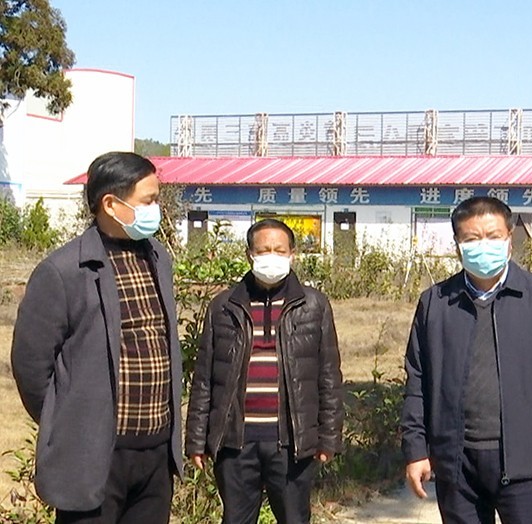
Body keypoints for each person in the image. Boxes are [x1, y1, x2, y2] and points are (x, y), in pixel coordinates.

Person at [11, 152, 183, 523]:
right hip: (93, 456)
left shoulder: (157, 257)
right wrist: (72, 419)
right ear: (110, 204)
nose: (156, 209)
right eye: (148, 201)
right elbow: (31, 366)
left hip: (155, 455)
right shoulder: (63, 271)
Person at [400, 196, 532, 524]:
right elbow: (417, 382)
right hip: (456, 465)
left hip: (524, 462)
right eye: (472, 239)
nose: (483, 246)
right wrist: (415, 450)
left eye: (493, 236)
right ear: (458, 246)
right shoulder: (436, 303)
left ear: (509, 239)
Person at [185, 218, 344, 524]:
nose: (272, 256)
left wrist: (329, 437)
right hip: (235, 443)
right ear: (249, 255)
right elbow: (204, 378)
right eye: (263, 250)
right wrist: (196, 439)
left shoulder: (314, 305)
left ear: (292, 254)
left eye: (279, 250)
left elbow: (329, 376)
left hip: (291, 443)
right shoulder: (223, 307)